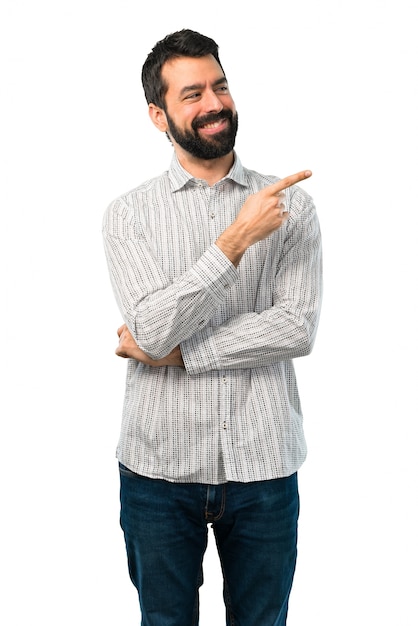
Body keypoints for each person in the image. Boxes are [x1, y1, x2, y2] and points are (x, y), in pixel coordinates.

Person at [102, 28, 322, 626]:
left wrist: (179, 354)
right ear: (158, 114)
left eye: (220, 86)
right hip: (157, 472)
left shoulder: (291, 205)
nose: (214, 104)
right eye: (192, 93)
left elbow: (297, 328)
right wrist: (235, 241)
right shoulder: (128, 216)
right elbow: (148, 329)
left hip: (264, 468)